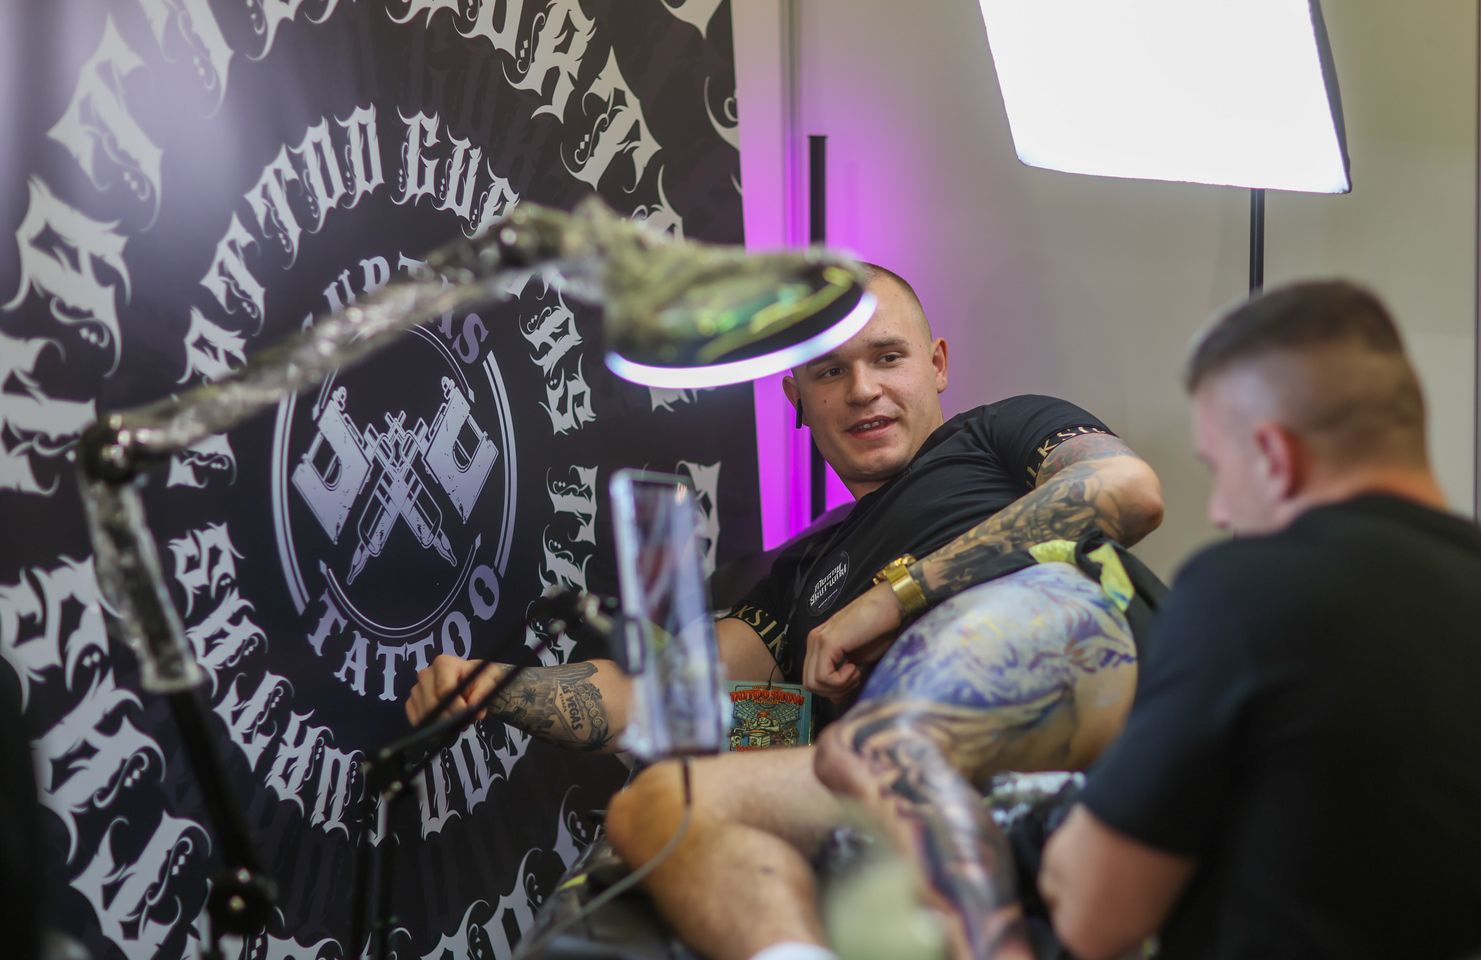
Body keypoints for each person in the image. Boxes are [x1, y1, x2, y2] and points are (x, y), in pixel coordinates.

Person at [407, 264, 1166, 959]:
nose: (862, 389)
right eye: (829, 371)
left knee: (1020, 609)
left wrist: (893, 598)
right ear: (794, 396)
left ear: (936, 364)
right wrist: (495, 686)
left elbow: (1124, 491)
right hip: (882, 768)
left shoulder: (998, 434)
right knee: (657, 807)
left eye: (888, 357)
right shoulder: (796, 580)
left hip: (1062, 664)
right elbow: (665, 698)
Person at [1039, 280, 1481, 960]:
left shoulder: (1244, 589)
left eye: (1218, 469)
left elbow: (1095, 918)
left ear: (1275, 456)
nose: (1219, 511)